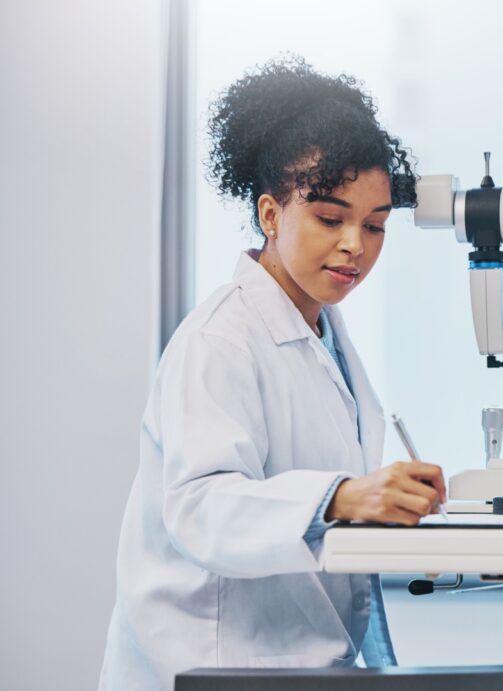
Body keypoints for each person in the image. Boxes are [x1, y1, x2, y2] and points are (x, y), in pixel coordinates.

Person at [100, 58, 446, 690]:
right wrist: (342, 497)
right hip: (208, 659)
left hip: (284, 660)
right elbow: (201, 508)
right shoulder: (221, 339)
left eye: (374, 226)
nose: (355, 246)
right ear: (270, 214)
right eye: (329, 218)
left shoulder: (322, 331)